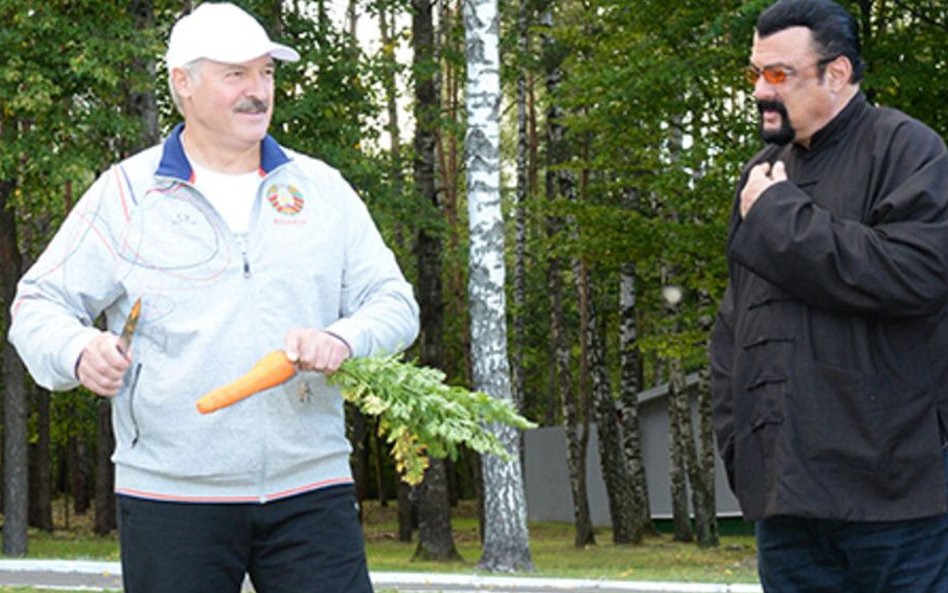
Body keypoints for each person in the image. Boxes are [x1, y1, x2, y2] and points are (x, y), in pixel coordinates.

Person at [8, 3, 418, 593]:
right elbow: (36, 303)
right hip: (172, 495)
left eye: (267, 74)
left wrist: (341, 337)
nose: (258, 92)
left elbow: (395, 302)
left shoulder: (321, 188)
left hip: (312, 489)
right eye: (236, 75)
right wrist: (77, 350)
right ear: (183, 85)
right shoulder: (126, 195)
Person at [710, 0, 948, 591]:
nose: (761, 92)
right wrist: (742, 450)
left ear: (836, 73)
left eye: (779, 74)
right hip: (787, 510)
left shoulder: (907, 150)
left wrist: (781, 216)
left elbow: (916, 273)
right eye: (755, 74)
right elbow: (735, 326)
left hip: (895, 506)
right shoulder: (762, 174)